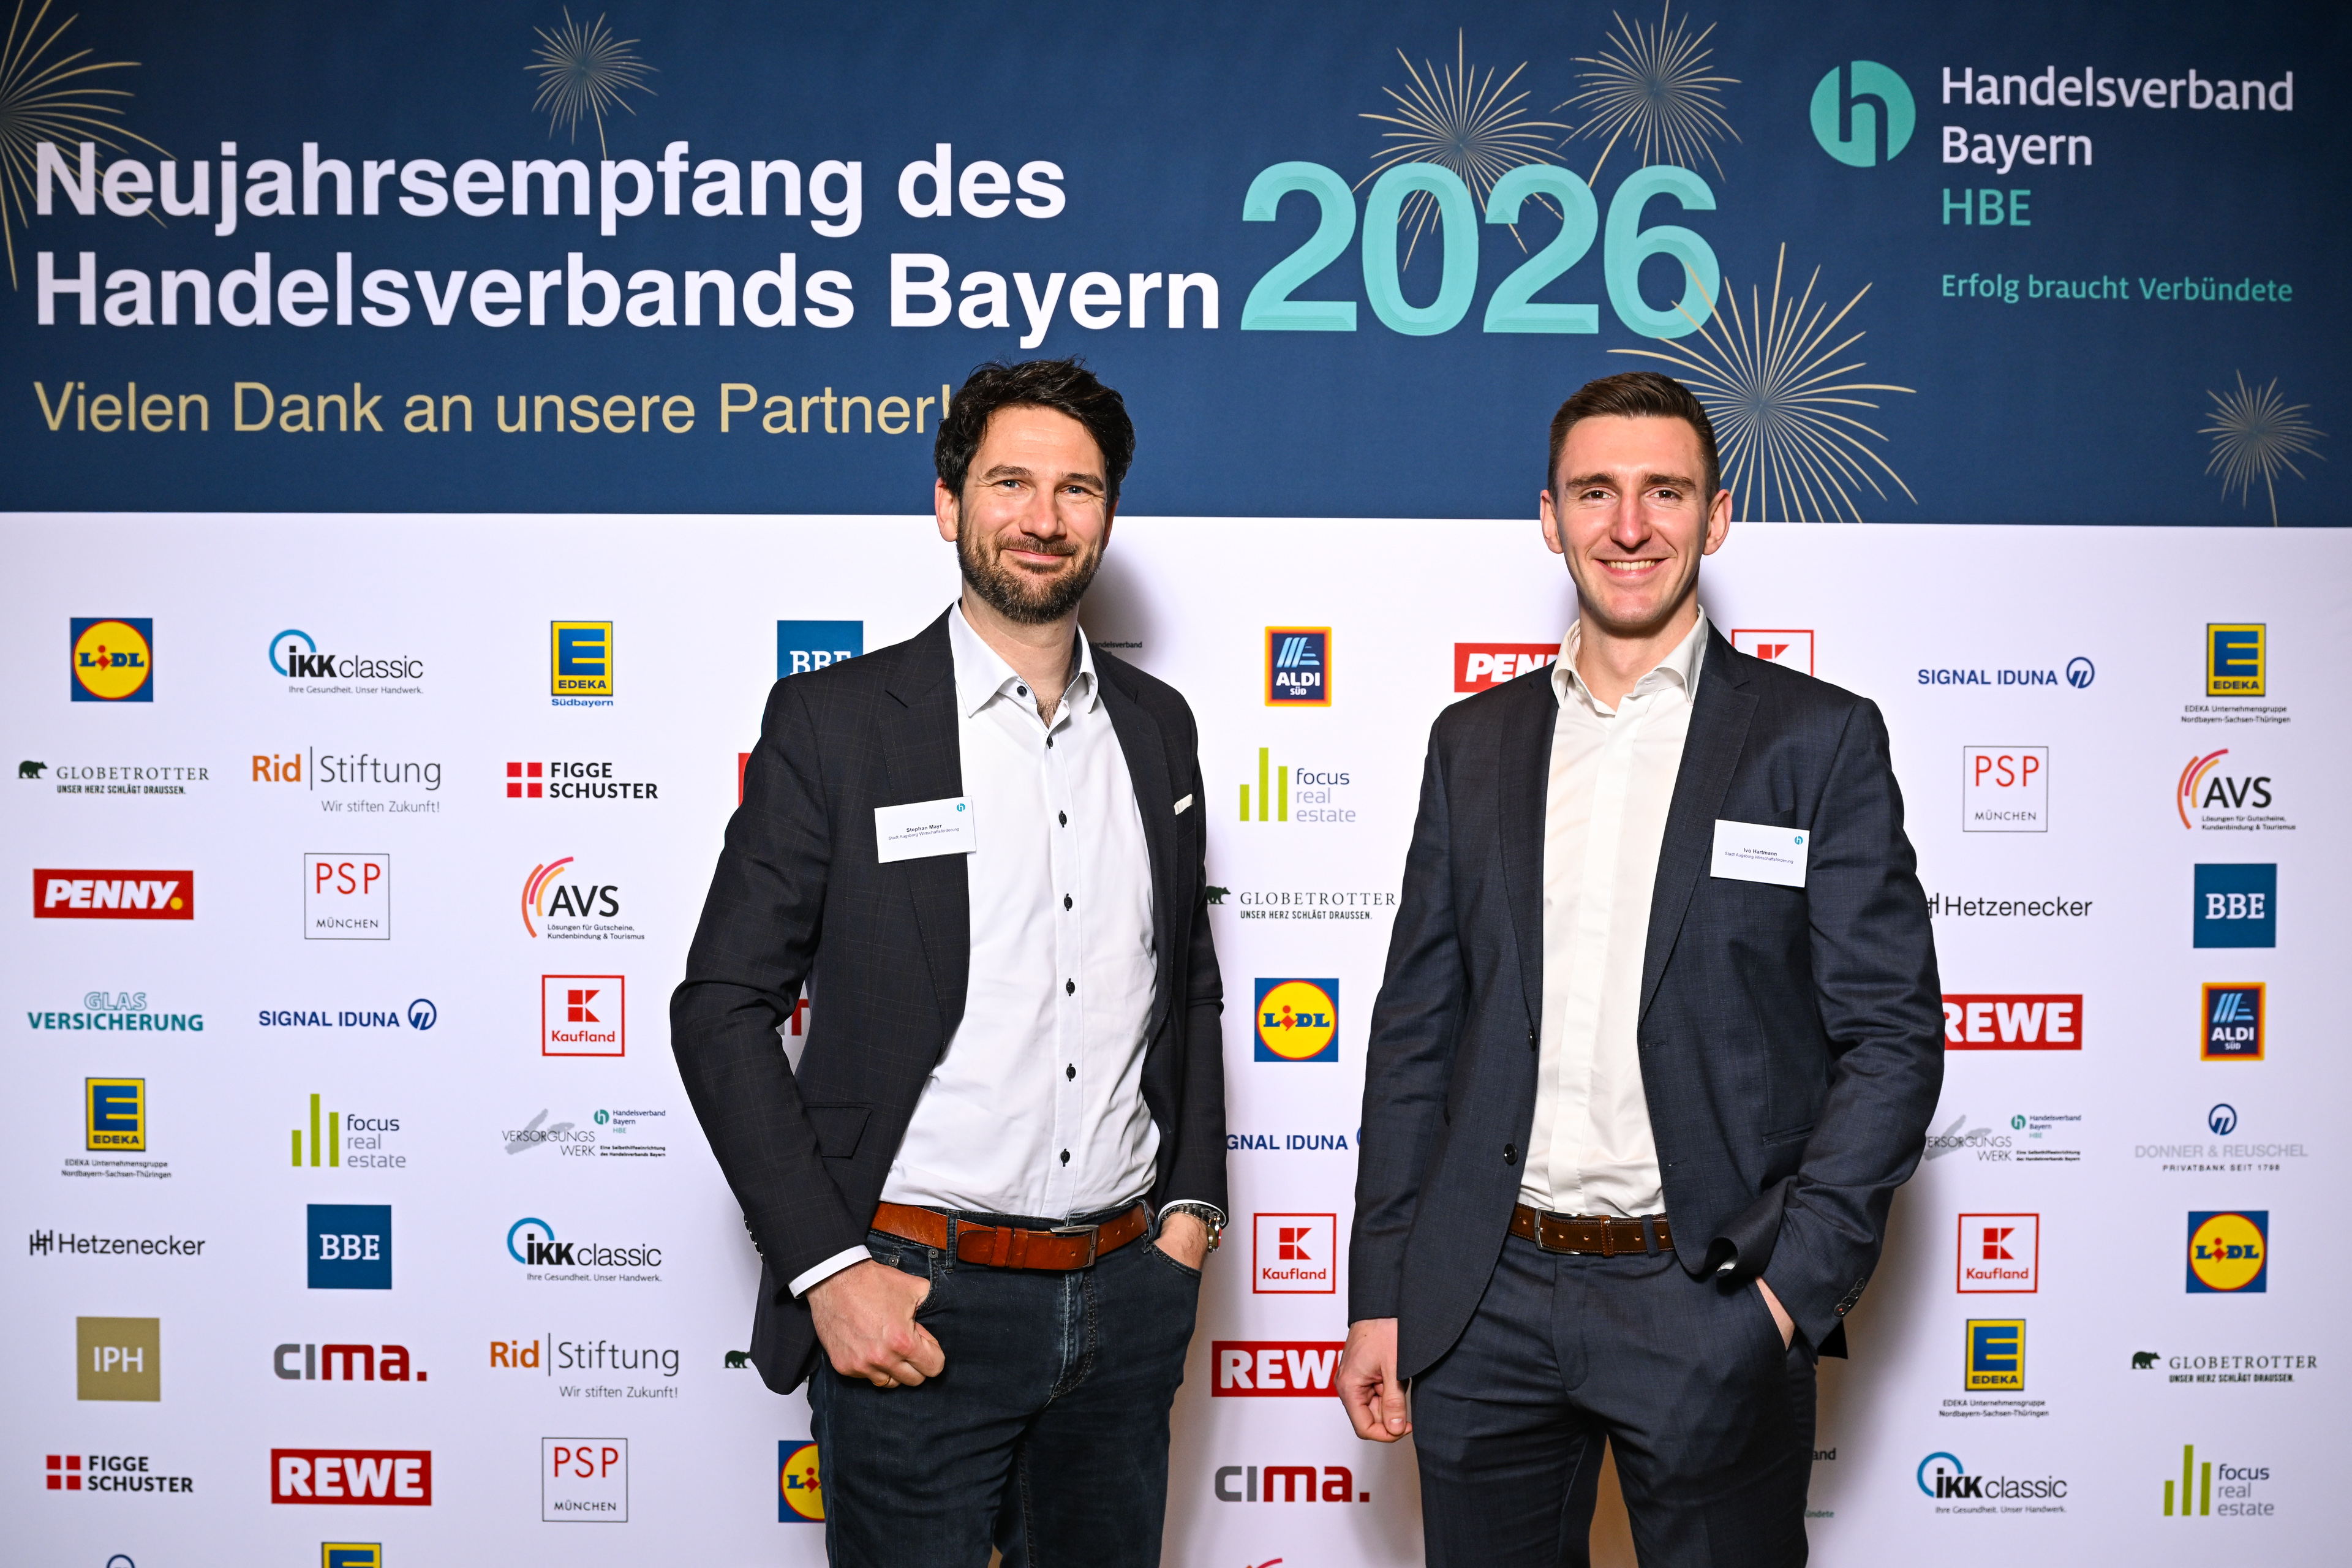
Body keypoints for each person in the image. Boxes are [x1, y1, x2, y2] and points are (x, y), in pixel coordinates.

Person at [1336, 371, 1942, 1566]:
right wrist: (1385, 1290)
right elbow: (1417, 1034)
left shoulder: (1817, 742)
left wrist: (1786, 1294)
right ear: (1549, 517)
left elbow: (1892, 1039)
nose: (1629, 526)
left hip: (1706, 1294)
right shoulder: (1473, 743)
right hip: (1486, 1302)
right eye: (1595, 492)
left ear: (1716, 518)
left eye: (1664, 492)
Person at [673, 357, 1227, 1568]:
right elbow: (720, 1008)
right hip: (914, 1296)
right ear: (947, 503)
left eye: (1078, 488)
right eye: (1010, 482)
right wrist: (830, 1270)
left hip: (1124, 1298)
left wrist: (1188, 1215)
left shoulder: (1158, 726)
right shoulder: (837, 725)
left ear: (1109, 514)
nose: (1044, 517)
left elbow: (1185, 975)